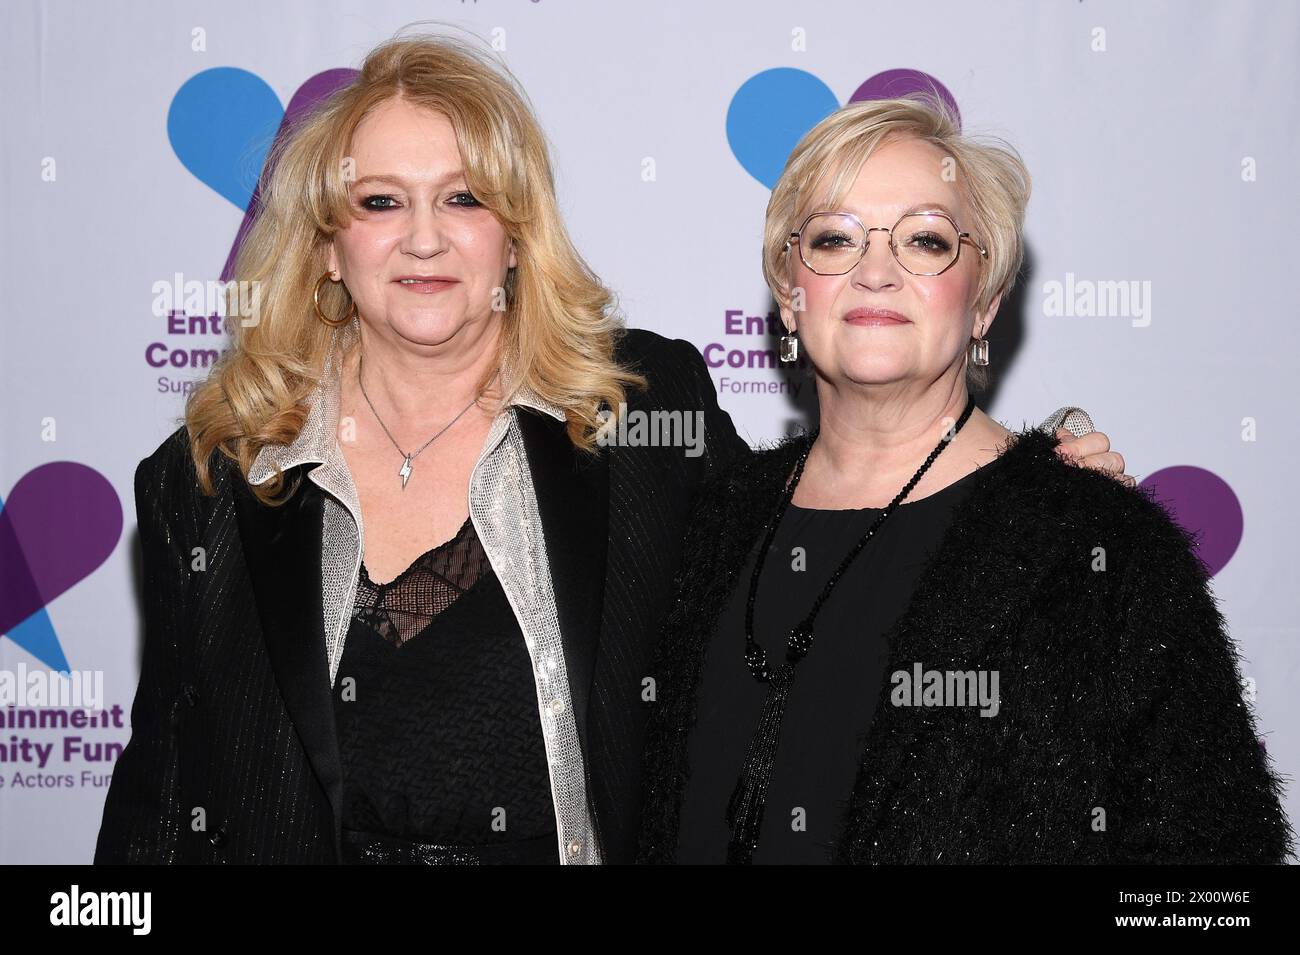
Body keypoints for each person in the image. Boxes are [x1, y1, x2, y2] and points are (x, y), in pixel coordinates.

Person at [94, 36, 1125, 865]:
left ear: (514, 233)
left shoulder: (638, 415)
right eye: (379, 202)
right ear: (327, 243)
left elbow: (827, 540)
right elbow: (162, 792)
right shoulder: (214, 479)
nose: (422, 239)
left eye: (464, 198)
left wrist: (1023, 487)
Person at [637, 95, 1294, 864]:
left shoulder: (1094, 548)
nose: (875, 271)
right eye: (834, 238)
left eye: (924, 239)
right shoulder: (713, 523)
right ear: (789, 295)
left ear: (984, 302)